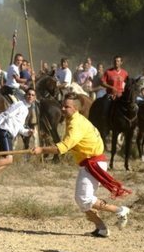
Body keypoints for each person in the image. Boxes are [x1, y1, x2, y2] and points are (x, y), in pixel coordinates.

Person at [31, 92, 131, 237]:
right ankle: (101, 228)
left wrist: (41, 149)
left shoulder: (76, 124)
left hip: (93, 163)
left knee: (84, 199)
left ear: (76, 109)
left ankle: (120, 210)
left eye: (67, 107)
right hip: (89, 162)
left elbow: (62, 148)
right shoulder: (72, 119)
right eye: (62, 106)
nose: (63, 109)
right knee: (82, 200)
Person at [0, 88, 36, 185]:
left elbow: (19, 127)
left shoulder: (26, 110)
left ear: (34, 98)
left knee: (7, 161)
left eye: (33, 95)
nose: (30, 96)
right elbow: (5, 114)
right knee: (8, 159)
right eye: (29, 94)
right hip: (4, 132)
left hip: (9, 134)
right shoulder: (19, 105)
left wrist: (27, 132)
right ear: (25, 95)